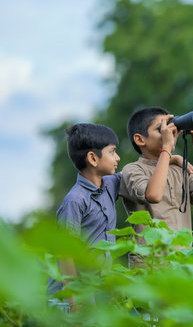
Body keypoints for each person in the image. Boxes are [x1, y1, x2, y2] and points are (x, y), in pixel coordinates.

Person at [119, 107, 193, 264]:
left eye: (172, 127)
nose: (169, 133)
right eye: (161, 129)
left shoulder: (178, 170)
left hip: (181, 263)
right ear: (140, 139)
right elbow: (153, 195)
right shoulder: (133, 170)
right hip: (149, 265)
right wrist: (167, 150)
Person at [46, 123, 121, 312]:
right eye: (112, 152)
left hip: (95, 294)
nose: (118, 158)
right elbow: (65, 254)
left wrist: (172, 157)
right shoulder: (75, 200)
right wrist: (75, 301)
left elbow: (138, 171)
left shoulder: (110, 184)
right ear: (93, 158)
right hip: (69, 300)